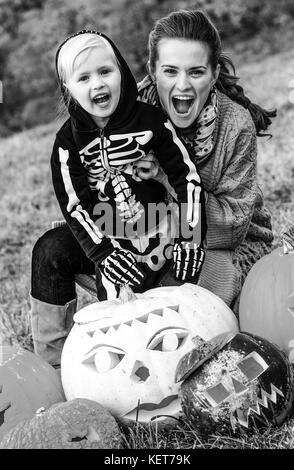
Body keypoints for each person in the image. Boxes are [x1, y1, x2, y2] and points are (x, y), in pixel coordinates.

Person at [30, 30, 206, 366]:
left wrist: (190, 236)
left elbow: (187, 176)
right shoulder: (68, 144)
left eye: (105, 72)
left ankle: (187, 355)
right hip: (111, 240)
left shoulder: (151, 120)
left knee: (186, 316)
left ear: (122, 72)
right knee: (119, 322)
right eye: (84, 77)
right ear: (68, 88)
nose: (97, 84)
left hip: (163, 233)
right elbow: (75, 205)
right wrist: (104, 253)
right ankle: (52, 370)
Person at [136, 9, 275, 312]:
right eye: (170, 71)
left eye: (196, 72)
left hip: (225, 245)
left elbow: (231, 227)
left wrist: (167, 175)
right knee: (54, 249)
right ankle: (54, 359)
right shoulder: (133, 117)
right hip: (154, 237)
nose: (183, 85)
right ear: (152, 69)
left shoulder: (235, 125)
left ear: (213, 74)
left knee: (174, 308)